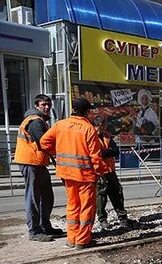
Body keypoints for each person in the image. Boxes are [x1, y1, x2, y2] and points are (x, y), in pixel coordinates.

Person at [40, 98, 108, 249]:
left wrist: (58, 153)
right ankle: (82, 240)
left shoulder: (60, 125)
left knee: (72, 205)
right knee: (86, 208)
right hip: (85, 175)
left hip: (67, 173)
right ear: (87, 111)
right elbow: (95, 156)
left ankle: (72, 239)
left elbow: (44, 142)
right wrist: (101, 172)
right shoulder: (88, 128)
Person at [14, 94, 61, 242]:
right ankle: (34, 231)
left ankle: (44, 226)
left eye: (48, 104)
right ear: (36, 106)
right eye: (43, 105)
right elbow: (44, 143)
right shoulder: (35, 122)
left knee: (46, 196)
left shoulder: (39, 121)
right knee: (33, 197)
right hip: (30, 162)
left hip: (38, 163)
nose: (46, 107)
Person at [94, 116, 129, 230]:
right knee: (101, 196)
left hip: (110, 170)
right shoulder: (92, 136)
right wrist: (107, 152)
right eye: (104, 124)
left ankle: (122, 217)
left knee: (117, 194)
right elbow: (97, 153)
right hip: (99, 171)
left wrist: (106, 152)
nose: (106, 127)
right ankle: (102, 219)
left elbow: (115, 151)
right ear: (100, 125)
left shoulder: (107, 136)